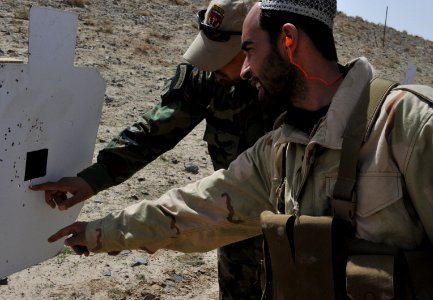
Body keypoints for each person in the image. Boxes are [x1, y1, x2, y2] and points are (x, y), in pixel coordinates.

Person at [36, 0, 433, 297]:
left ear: (288, 41)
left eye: (249, 49)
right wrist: (96, 232)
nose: (244, 68)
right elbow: (197, 208)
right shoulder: (279, 150)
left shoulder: (416, 125)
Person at [30, 0, 287, 299]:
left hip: (288, 222)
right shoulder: (206, 74)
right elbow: (157, 129)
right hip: (228, 215)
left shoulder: (293, 88)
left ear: (252, 46)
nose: (210, 65)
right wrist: (94, 178)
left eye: (221, 56)